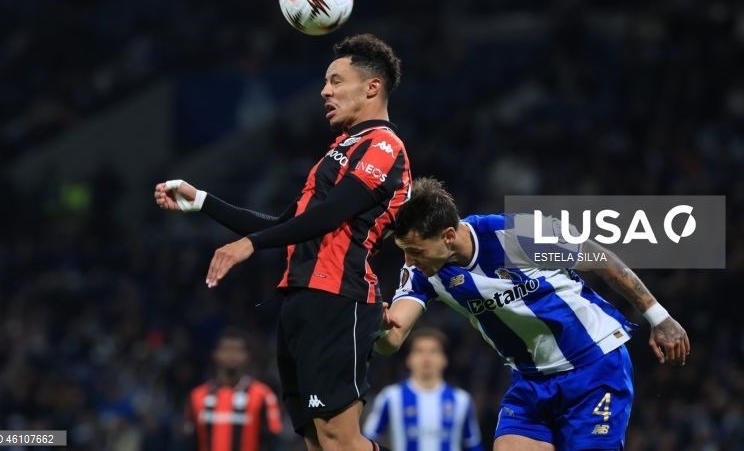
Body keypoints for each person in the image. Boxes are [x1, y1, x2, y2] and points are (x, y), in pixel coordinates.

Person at [155, 33, 411, 451]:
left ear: (372, 87)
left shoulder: (383, 145)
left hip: (339, 297)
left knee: (339, 439)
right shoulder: (337, 152)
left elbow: (331, 215)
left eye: (335, 80)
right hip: (302, 301)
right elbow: (285, 224)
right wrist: (201, 200)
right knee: (316, 440)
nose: (324, 91)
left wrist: (250, 245)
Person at [377, 178, 691, 451]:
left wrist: (659, 317)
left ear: (447, 235)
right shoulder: (422, 273)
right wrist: (376, 325)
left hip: (594, 366)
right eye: (405, 251)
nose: (409, 260)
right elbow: (392, 339)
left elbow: (600, 259)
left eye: (416, 251)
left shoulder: (515, 234)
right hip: (531, 380)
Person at [363, 328, 484, 451]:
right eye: (419, 351)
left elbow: (473, 446)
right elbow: (367, 439)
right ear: (409, 359)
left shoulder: (461, 400)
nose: (426, 358)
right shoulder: (391, 397)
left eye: (433, 351)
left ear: (444, 359)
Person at [185, 327, 283, 451]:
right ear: (215, 354)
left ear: (246, 355)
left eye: (237, 350)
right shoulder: (197, 396)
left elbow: (272, 441)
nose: (231, 354)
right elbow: (191, 441)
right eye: (226, 349)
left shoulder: (263, 395)